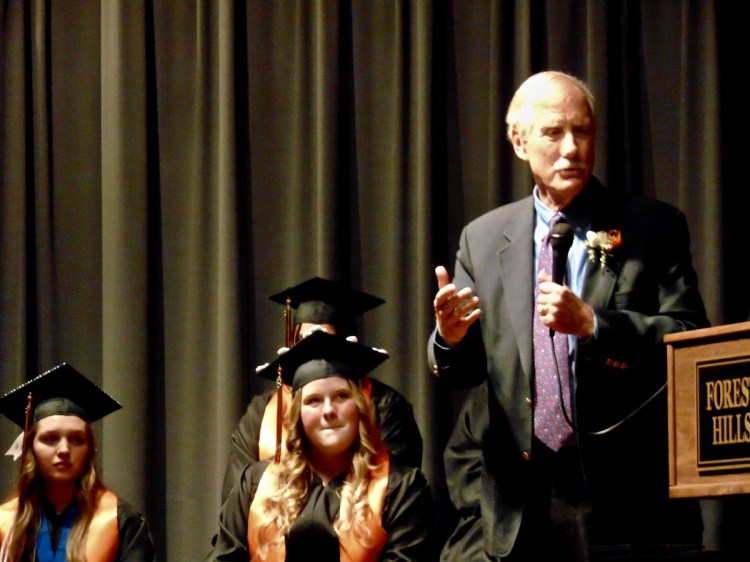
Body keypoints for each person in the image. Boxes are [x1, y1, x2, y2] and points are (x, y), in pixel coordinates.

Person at [428, 70, 709, 560]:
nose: (572, 148)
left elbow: (690, 339)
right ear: (519, 141)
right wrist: (450, 339)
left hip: (626, 497)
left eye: (582, 131)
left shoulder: (651, 226)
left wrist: (596, 326)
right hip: (520, 500)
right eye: (554, 132)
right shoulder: (484, 238)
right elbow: (470, 372)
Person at [208, 331, 434, 560]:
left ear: (360, 407)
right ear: (298, 415)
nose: (328, 411)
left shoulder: (400, 489)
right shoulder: (255, 485)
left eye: (341, 396)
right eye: (313, 400)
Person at [221, 277, 423, 502]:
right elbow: (237, 498)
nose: (311, 348)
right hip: (274, 529)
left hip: (358, 527)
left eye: (323, 339)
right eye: (302, 340)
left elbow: (396, 491)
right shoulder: (262, 413)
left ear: (347, 343)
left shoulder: (386, 406)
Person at [0, 363, 155, 561]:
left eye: (76, 439)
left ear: (89, 449)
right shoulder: (6, 523)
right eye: (50, 439)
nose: (64, 450)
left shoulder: (120, 521)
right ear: (30, 449)